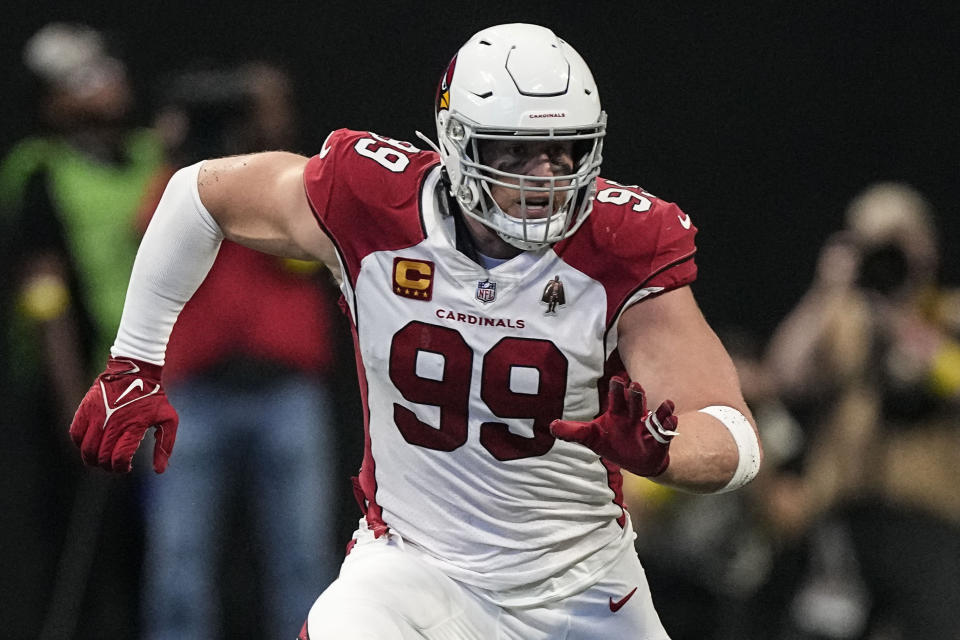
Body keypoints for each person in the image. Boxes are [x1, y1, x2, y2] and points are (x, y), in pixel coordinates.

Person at [67, 23, 763, 639]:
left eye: (564, 150)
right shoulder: (377, 204)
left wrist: (665, 451)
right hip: (416, 564)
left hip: (581, 583)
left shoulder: (621, 241)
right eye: (517, 153)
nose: (547, 176)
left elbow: (733, 433)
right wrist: (135, 360)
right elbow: (201, 193)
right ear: (457, 143)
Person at [137, 62, 343, 639]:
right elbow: (151, 237)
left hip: (285, 393)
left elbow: (309, 257)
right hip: (193, 395)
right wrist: (183, 156)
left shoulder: (303, 177)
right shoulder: (182, 178)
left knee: (304, 560)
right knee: (177, 563)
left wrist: (261, 160)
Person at [0, 22, 163, 638]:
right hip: (84, 390)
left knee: (158, 551)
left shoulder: (154, 156)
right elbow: (44, 291)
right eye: (79, 79)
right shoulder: (41, 169)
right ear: (51, 102)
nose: (103, 83)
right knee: (83, 549)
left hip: (163, 388)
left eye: (105, 68)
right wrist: (75, 405)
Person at [752, 183, 960, 638]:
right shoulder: (842, 319)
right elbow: (784, 376)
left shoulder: (947, 313)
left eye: (900, 239)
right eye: (875, 240)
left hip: (929, 518)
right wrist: (825, 290)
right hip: (841, 518)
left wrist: (902, 322)